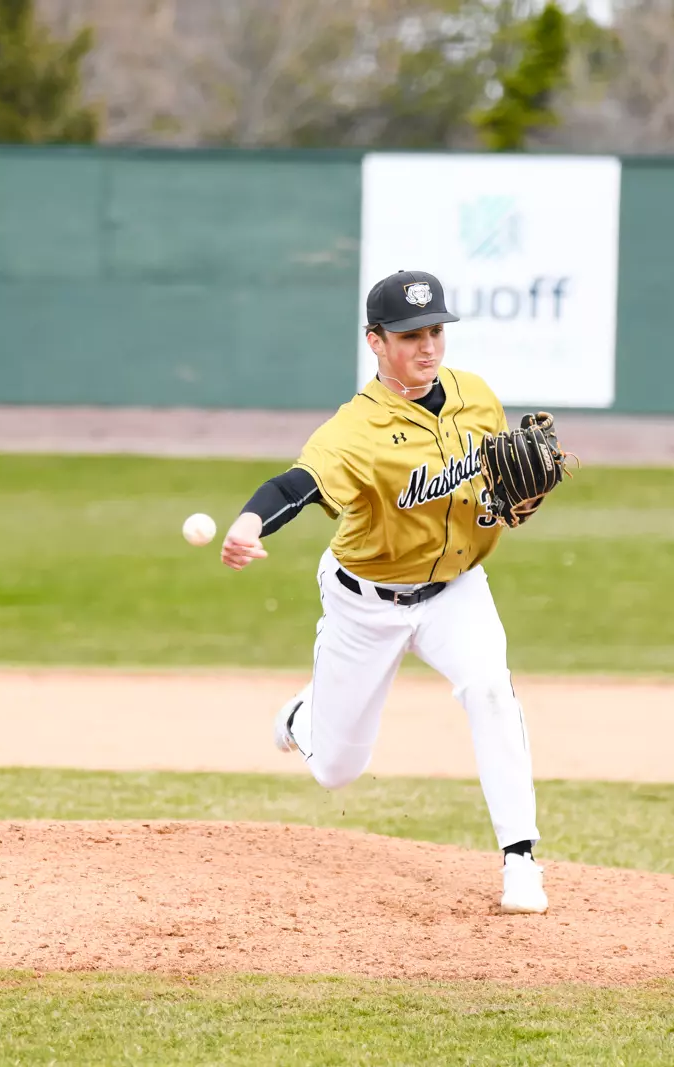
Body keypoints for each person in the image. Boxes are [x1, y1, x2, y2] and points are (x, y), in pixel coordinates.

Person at [219, 269, 547, 914]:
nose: (427, 347)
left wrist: (514, 502)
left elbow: (498, 496)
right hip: (365, 603)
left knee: (490, 691)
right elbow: (297, 485)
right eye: (408, 335)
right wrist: (248, 523)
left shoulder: (476, 397)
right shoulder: (355, 431)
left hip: (456, 591)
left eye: (435, 331)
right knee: (336, 769)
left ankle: (521, 860)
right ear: (375, 341)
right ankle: (299, 716)